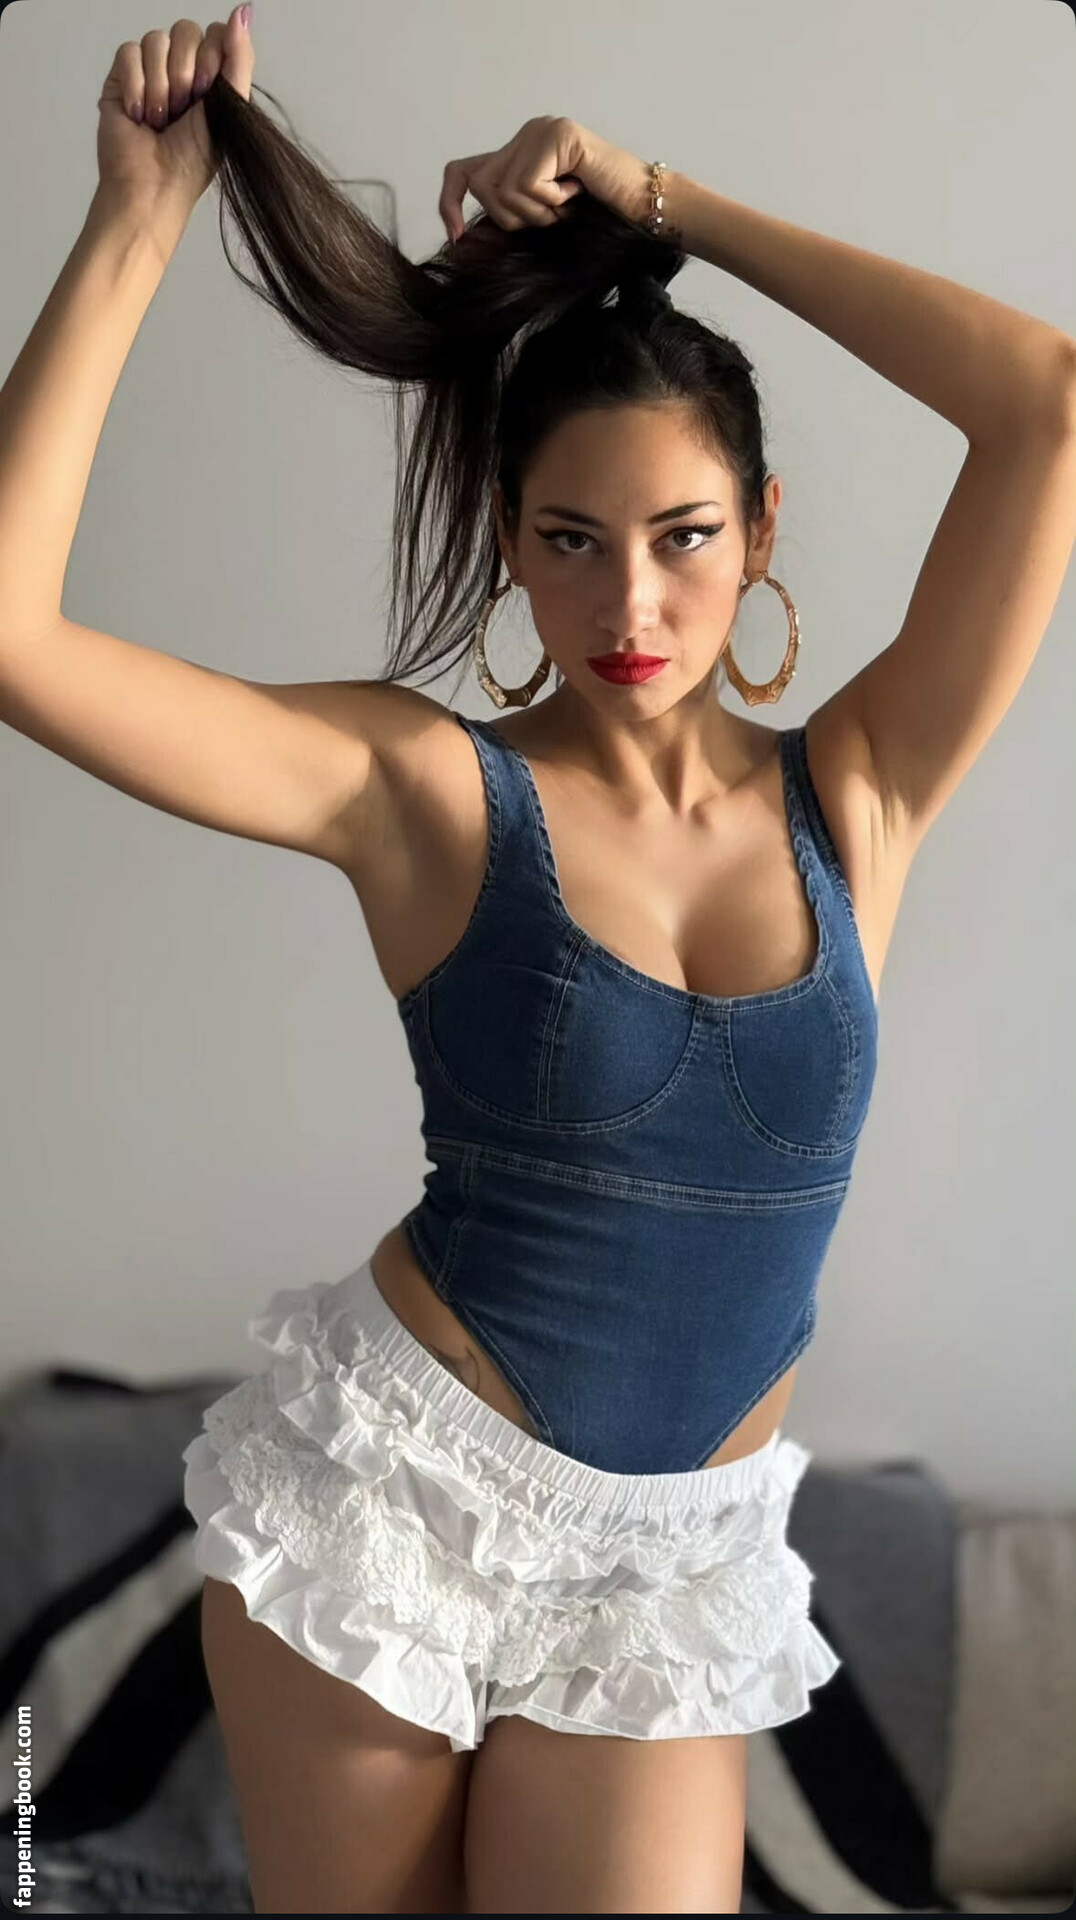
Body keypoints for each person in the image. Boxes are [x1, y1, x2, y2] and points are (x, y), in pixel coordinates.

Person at [2, 11, 1074, 1912]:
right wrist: (136, 225)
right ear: (508, 539)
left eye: (682, 536)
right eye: (570, 540)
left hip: (672, 1562)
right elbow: (14, 642)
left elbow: (1046, 402)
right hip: (397, 1504)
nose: (629, 602)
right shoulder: (424, 790)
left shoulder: (862, 794)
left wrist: (666, 203)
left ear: (761, 530)